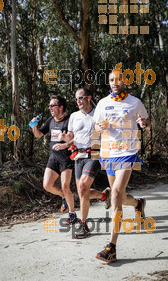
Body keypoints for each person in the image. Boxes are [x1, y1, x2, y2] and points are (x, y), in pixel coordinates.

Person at [94, 71, 150, 263]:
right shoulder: (102, 103)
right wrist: (100, 128)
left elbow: (146, 121)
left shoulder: (135, 102)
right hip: (108, 154)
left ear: (124, 81)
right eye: (111, 80)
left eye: (118, 79)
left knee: (116, 194)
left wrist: (144, 123)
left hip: (128, 152)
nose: (114, 82)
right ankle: (138, 204)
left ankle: (111, 247)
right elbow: (96, 127)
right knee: (118, 197)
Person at [59, 88, 111, 239]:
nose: (78, 101)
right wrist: (65, 139)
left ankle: (84, 225)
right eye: (76, 99)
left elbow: (107, 131)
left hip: (94, 153)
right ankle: (103, 195)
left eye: (81, 98)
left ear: (89, 97)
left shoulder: (98, 114)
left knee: (82, 187)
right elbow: (71, 136)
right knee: (84, 192)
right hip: (78, 155)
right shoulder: (74, 116)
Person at [30, 95, 77, 225]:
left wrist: (66, 141)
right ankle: (63, 197)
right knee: (47, 185)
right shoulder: (51, 120)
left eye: (53, 106)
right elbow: (39, 134)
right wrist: (34, 126)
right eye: (49, 106)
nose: (50, 108)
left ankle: (72, 214)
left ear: (61, 107)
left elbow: (74, 139)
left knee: (65, 186)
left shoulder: (69, 120)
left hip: (66, 159)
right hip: (53, 158)